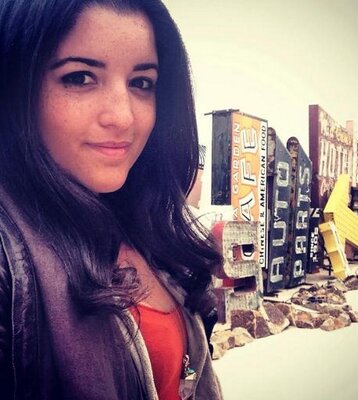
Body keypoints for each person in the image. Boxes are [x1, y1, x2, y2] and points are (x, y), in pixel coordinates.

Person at [0, 0, 223, 399]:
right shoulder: (9, 257)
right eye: (80, 77)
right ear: (17, 87)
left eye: (141, 83)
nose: (123, 117)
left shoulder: (142, 218)